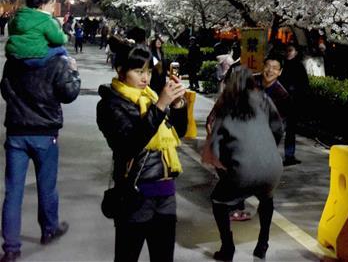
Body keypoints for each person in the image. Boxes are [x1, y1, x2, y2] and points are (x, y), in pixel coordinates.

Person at [1, 0, 81, 262]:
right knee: (47, 186)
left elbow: (5, 90)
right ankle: (49, 229)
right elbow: (68, 94)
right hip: (45, 132)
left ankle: (11, 248)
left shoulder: (13, 60)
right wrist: (75, 75)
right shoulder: (58, 61)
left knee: (13, 191)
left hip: (16, 130)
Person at [96, 38, 188, 262]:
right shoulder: (111, 103)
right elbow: (130, 143)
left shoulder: (152, 97)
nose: (145, 77)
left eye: (147, 71)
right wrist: (160, 107)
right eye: (138, 71)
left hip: (165, 191)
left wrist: (177, 106)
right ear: (120, 70)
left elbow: (180, 132)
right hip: (135, 194)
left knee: (163, 257)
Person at [205, 66, 283, 261]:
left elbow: (214, 142)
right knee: (267, 197)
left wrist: (224, 164)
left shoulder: (226, 103)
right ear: (252, 81)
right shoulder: (263, 99)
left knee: (218, 201)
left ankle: (227, 247)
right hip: (273, 167)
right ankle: (262, 244)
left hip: (243, 169)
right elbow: (278, 128)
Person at [4, 0, 69, 67]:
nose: (53, 9)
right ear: (43, 5)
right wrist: (66, 37)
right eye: (52, 6)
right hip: (35, 58)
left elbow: (11, 31)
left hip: (13, 55)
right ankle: (68, 72)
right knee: (61, 49)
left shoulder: (17, 17)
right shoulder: (46, 19)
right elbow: (58, 39)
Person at [279, 43, 310, 166]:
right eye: (287, 50)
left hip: (293, 103)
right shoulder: (283, 65)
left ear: (296, 52)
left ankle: (289, 156)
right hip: (283, 102)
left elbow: (304, 85)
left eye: (290, 50)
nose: (288, 52)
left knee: (290, 130)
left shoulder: (298, 66)